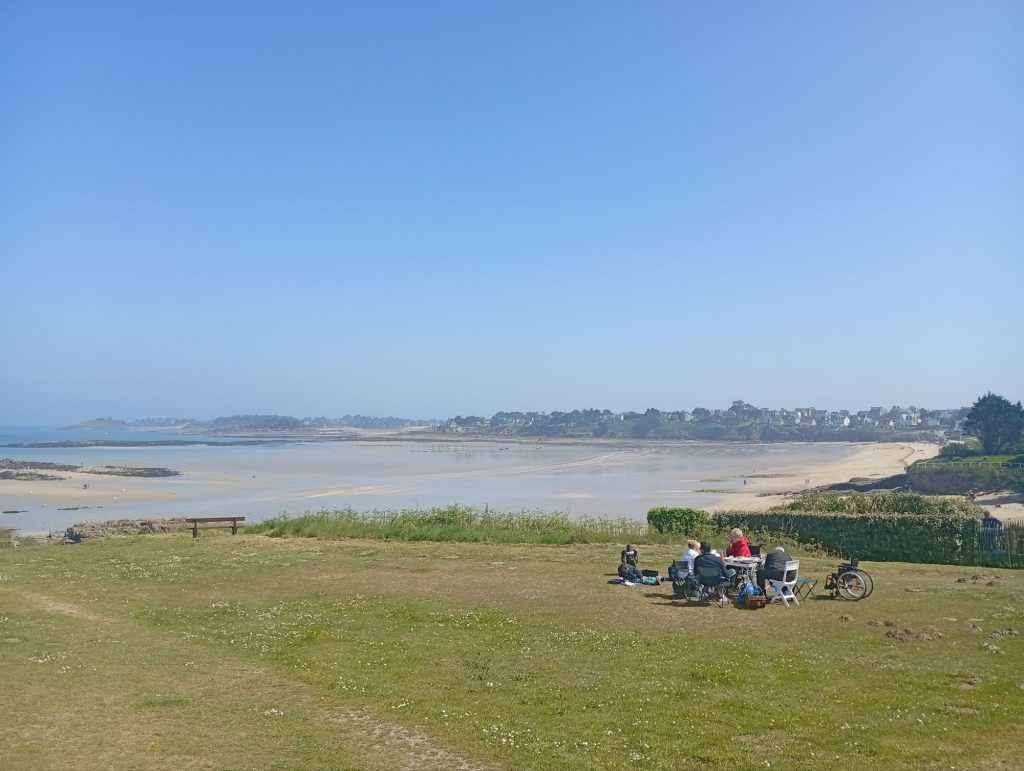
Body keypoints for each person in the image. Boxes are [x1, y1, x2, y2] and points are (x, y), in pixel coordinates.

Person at [693, 541, 735, 606]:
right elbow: (726, 574)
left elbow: (695, 573)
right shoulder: (718, 560)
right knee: (733, 571)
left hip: (703, 581)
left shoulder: (697, 559)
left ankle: (710, 593)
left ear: (702, 550)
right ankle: (723, 593)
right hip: (717, 581)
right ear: (710, 549)